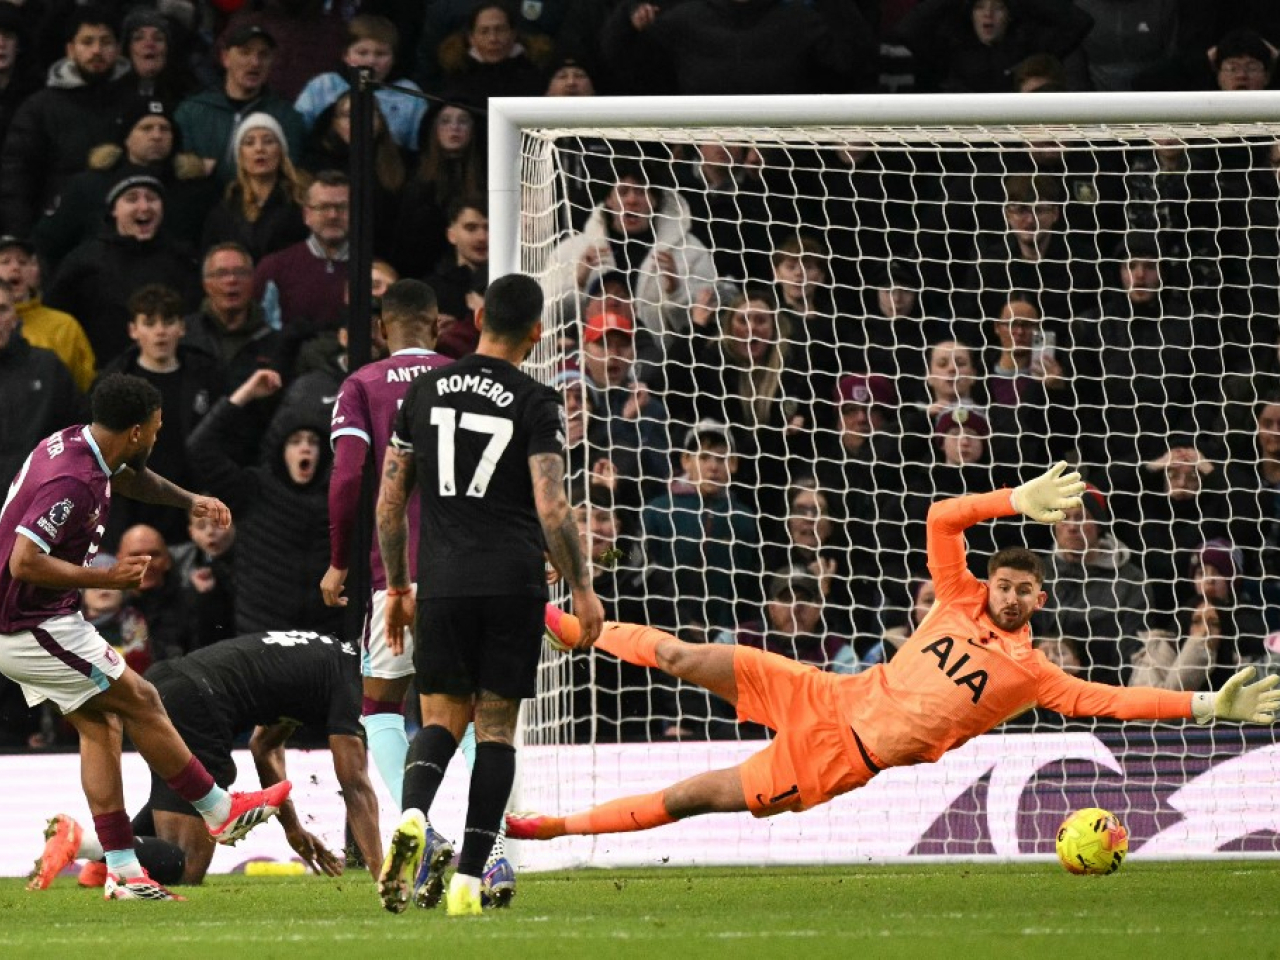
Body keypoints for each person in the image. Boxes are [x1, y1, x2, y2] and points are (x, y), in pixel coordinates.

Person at [507, 463, 1280, 844]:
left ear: (1040, 601)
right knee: (688, 655)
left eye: (1022, 592)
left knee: (694, 796)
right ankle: (576, 629)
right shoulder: (958, 596)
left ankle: (555, 827)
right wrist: (1010, 501)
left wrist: (1208, 702)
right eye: (1003, 584)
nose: (1008, 597)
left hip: (841, 758)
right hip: (823, 694)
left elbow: (1113, 702)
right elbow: (943, 519)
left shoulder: (1032, 674)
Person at [0, 373, 290, 900]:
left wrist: (189, 501)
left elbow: (131, 478)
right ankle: (220, 811)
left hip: (37, 620)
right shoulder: (72, 481)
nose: (156, 438)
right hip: (26, 624)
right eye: (154, 430)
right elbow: (24, 561)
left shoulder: (81, 445)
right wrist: (106, 577)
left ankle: (126, 872)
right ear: (136, 431)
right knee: (142, 698)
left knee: (101, 725)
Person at [375, 273, 603, 916]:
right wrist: (581, 587)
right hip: (511, 584)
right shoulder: (537, 399)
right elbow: (552, 506)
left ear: (477, 321)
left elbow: (391, 503)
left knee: (441, 720)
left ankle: (415, 815)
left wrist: (397, 585)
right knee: (496, 730)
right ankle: (471, 878)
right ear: (536, 332)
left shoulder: (423, 390)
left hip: (441, 582)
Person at [31, 628, 381, 890]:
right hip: (198, 703)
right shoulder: (349, 680)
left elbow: (263, 747)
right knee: (186, 868)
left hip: (167, 682)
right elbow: (355, 784)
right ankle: (85, 843)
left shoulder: (322, 657)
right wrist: (383, 872)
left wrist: (292, 828)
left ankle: (100, 865)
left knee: (175, 797)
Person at [320, 280, 451, 813]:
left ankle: (417, 825)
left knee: (381, 705)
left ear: (380, 329)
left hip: (398, 572)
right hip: (471, 567)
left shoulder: (364, 383)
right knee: (463, 707)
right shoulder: (466, 379)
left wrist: (337, 562)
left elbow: (348, 476)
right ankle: (487, 840)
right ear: (438, 325)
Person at [173, 24, 305, 188]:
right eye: (245, 53)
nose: (255, 62)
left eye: (263, 55)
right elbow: (177, 168)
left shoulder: (285, 116)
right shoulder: (191, 111)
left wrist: (213, 168)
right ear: (225, 58)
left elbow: (287, 171)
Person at [0, 278, 80, 491]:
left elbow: (77, 435)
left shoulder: (48, 367)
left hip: (38, 502)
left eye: (2, 310)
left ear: (15, 317)